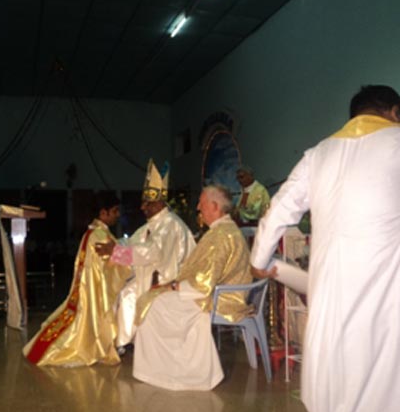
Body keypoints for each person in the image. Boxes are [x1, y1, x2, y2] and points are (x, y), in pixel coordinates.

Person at [250, 85, 400, 412]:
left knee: (337, 381)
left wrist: (259, 260)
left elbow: (279, 209)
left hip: (330, 292)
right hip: (385, 288)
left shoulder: (317, 155)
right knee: (383, 381)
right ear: (394, 112)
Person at [132, 185, 253, 390]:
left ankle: (174, 372)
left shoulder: (220, 235)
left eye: (201, 203)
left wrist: (175, 286)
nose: (198, 207)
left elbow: (204, 280)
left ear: (214, 206)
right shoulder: (225, 230)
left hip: (219, 298)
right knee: (153, 300)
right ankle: (163, 368)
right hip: (220, 291)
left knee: (153, 306)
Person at [95, 159, 196, 351]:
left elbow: (152, 252)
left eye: (146, 203)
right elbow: (134, 242)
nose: (142, 207)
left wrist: (116, 252)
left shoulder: (170, 225)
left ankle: (124, 343)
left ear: (158, 203)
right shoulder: (155, 223)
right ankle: (124, 340)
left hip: (168, 280)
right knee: (122, 291)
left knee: (127, 295)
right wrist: (114, 244)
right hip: (149, 277)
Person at [23, 193, 131, 366]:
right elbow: (113, 265)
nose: (117, 215)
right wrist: (133, 263)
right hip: (94, 290)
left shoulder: (93, 232)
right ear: (103, 213)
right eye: (115, 211)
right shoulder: (100, 234)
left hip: (87, 287)